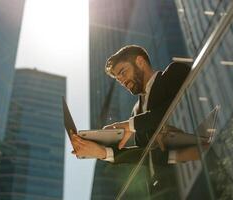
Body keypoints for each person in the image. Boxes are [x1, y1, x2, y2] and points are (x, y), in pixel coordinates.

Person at [71, 45, 210, 198]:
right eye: (118, 79)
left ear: (140, 62)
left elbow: (174, 107)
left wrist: (131, 125)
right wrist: (102, 152)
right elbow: (146, 155)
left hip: (200, 180)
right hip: (163, 192)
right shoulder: (136, 111)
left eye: (123, 72)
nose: (122, 81)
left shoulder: (173, 74)